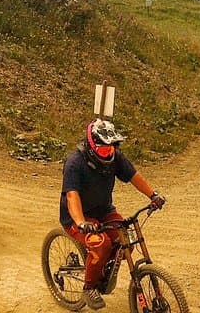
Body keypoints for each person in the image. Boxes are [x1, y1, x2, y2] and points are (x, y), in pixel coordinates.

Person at [60, 118, 167, 311]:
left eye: (110, 148)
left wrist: (153, 195)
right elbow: (72, 196)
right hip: (78, 217)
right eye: (103, 149)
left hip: (104, 210)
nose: (108, 153)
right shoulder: (74, 163)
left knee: (126, 241)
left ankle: (99, 268)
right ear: (92, 147)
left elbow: (134, 176)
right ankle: (89, 287)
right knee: (101, 244)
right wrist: (81, 222)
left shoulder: (114, 157)